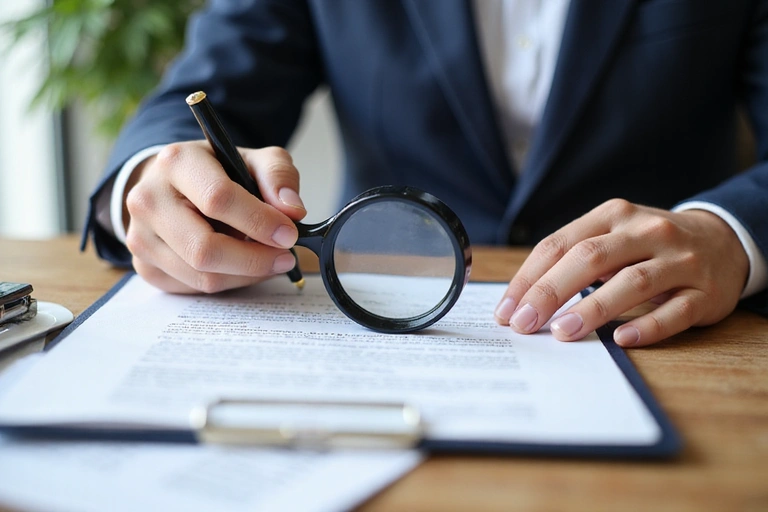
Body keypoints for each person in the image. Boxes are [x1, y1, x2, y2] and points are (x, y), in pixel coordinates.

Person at [83, 0, 768, 348]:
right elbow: (198, 99)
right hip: (373, 326)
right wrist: (150, 178)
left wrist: (733, 234)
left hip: (658, 329)